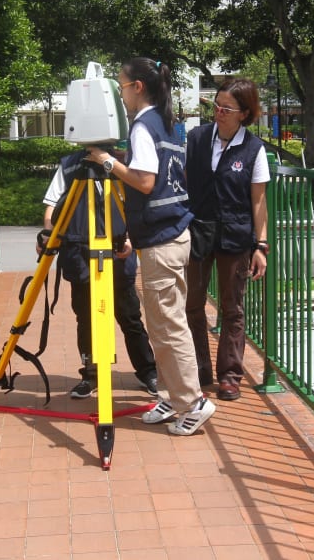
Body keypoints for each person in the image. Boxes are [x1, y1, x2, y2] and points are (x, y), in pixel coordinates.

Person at [85, 57, 216, 436]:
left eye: (123, 87)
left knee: (168, 326)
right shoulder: (167, 122)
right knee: (163, 324)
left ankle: (193, 402)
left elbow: (144, 182)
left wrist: (108, 162)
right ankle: (175, 397)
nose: (121, 95)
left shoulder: (143, 124)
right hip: (172, 234)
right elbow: (156, 173)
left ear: (137, 87)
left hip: (162, 239)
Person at [39, 149, 158, 399]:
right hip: (79, 252)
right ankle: (91, 375)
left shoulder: (123, 162)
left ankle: (148, 372)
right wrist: (49, 233)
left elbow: (135, 204)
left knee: (129, 317)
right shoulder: (71, 164)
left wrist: (129, 237)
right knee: (85, 318)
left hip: (117, 252)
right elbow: (52, 203)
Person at [184, 77, 270, 401]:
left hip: (235, 236)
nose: (218, 113)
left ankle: (230, 375)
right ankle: (200, 367)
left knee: (232, 308)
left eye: (226, 108)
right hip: (197, 232)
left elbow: (259, 201)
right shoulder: (196, 139)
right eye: (215, 106)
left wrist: (260, 246)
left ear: (244, 114)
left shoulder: (254, 149)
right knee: (193, 303)